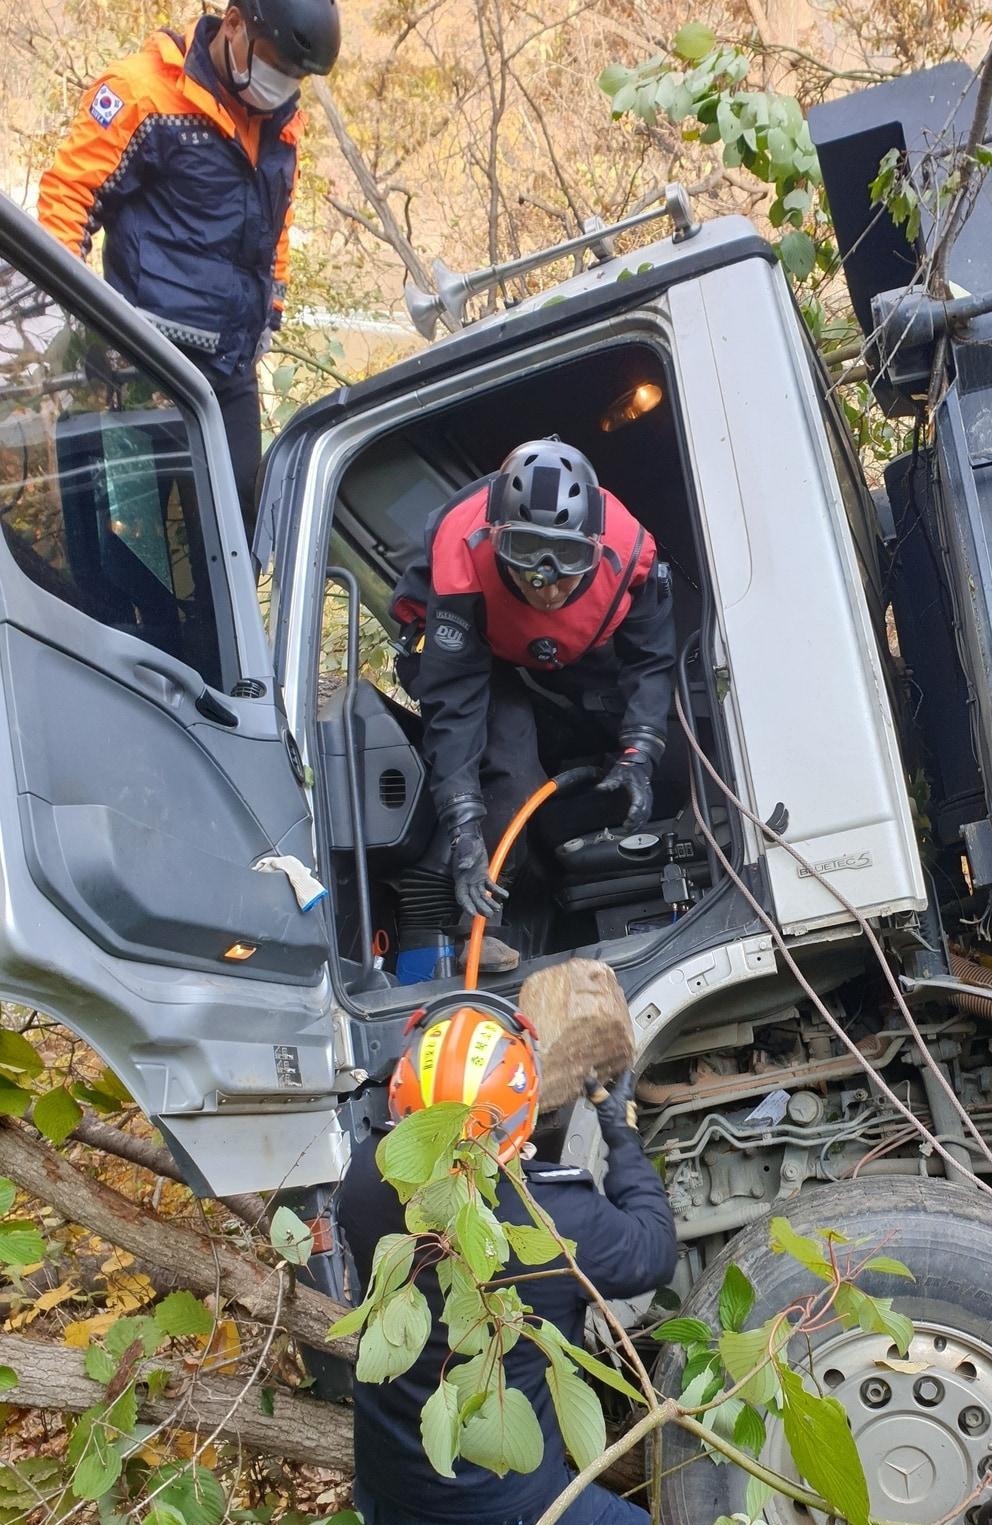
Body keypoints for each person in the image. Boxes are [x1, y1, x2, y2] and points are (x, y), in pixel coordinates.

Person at [341, 992, 732, 1525]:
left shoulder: (364, 1182)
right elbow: (652, 1245)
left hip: (391, 1484)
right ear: (517, 1133)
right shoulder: (553, 1219)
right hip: (506, 1512)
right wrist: (619, 1132)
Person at [36, 0, 341, 535]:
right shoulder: (143, 93)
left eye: (295, 76)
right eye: (275, 65)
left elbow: (278, 218)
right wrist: (68, 315)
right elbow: (69, 196)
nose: (282, 83)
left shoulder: (282, 125)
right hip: (147, 359)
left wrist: (272, 306)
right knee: (134, 542)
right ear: (234, 25)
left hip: (230, 369)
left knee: (239, 525)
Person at [390, 437, 677, 972]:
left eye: (568, 562)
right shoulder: (462, 556)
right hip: (481, 652)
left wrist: (640, 753)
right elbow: (456, 702)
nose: (546, 586)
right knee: (512, 769)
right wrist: (463, 823)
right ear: (495, 539)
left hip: (587, 648)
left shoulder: (632, 554)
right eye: (525, 561)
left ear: (596, 547)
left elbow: (651, 663)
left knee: (648, 746)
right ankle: (458, 929)